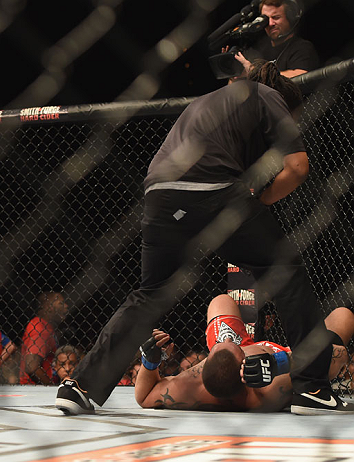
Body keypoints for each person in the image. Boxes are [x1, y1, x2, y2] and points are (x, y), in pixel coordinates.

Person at [55, 59, 350, 416]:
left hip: (159, 194)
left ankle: (81, 387)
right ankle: (312, 388)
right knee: (285, 269)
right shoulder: (268, 95)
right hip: (211, 191)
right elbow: (297, 166)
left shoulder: (212, 102)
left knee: (151, 292)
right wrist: (261, 199)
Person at [134, 294, 353, 412]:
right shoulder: (272, 388)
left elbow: (143, 396)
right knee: (343, 315)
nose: (229, 338)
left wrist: (150, 362)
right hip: (289, 358)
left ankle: (227, 347)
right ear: (244, 366)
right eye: (231, 343)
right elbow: (338, 355)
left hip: (238, 355)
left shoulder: (189, 386)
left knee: (221, 301)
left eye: (224, 342)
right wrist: (279, 363)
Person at [236, 0, 318, 78]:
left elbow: (301, 76)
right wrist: (234, 74)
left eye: (276, 17)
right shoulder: (257, 50)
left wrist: (255, 72)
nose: (270, 23)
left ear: (290, 18)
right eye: (266, 19)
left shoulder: (302, 47)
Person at [20, 292, 70, 385]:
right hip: (36, 392)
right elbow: (32, 366)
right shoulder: (40, 328)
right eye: (61, 303)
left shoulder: (47, 328)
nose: (66, 306)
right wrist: (51, 388)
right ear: (48, 306)